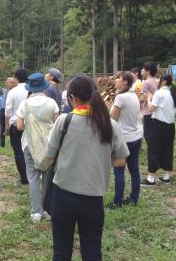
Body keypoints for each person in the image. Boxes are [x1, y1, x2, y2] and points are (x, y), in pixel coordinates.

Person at [45, 74, 129, 261]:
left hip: (63, 195)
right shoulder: (109, 124)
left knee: (61, 251)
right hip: (93, 198)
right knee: (92, 251)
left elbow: (49, 156)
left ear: (73, 98)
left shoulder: (64, 121)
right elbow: (120, 160)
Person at [16, 73, 59, 222]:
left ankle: (36, 211)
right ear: (44, 87)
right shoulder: (52, 103)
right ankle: (48, 209)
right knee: (48, 177)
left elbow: (20, 126)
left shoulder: (25, 104)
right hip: (49, 144)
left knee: (33, 177)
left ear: (30, 88)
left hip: (29, 144)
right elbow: (57, 124)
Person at [108, 72, 142, 208]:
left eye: (119, 79)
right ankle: (134, 199)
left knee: (119, 171)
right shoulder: (133, 95)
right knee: (134, 170)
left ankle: (117, 202)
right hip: (136, 137)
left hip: (123, 139)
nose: (116, 80)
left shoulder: (120, 98)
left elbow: (112, 119)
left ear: (126, 82)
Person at [141, 74, 176, 186]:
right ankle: (166, 176)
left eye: (160, 79)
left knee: (153, 150)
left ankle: (151, 178)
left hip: (158, 125)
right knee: (168, 149)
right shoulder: (172, 93)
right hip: (170, 126)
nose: (158, 81)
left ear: (164, 81)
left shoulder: (159, 92)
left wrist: (148, 97)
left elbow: (151, 109)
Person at [5, 69, 29, 185]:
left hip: (15, 125)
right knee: (30, 150)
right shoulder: (31, 90)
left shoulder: (13, 92)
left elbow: (8, 112)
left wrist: (6, 126)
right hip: (30, 125)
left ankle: (24, 178)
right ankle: (32, 175)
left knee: (18, 151)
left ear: (15, 78)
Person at [139, 62, 159, 145]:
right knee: (156, 134)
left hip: (147, 111)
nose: (142, 70)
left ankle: (152, 151)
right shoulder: (158, 80)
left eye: (144, 69)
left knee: (148, 134)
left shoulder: (145, 82)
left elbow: (142, 98)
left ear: (148, 71)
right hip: (157, 110)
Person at [0, 77, 14, 148]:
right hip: (3, 110)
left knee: (12, 127)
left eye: (12, 82)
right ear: (6, 83)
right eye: (10, 82)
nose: (11, 83)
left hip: (12, 111)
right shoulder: (4, 91)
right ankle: (2, 144)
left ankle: (12, 143)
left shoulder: (15, 92)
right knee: (3, 127)